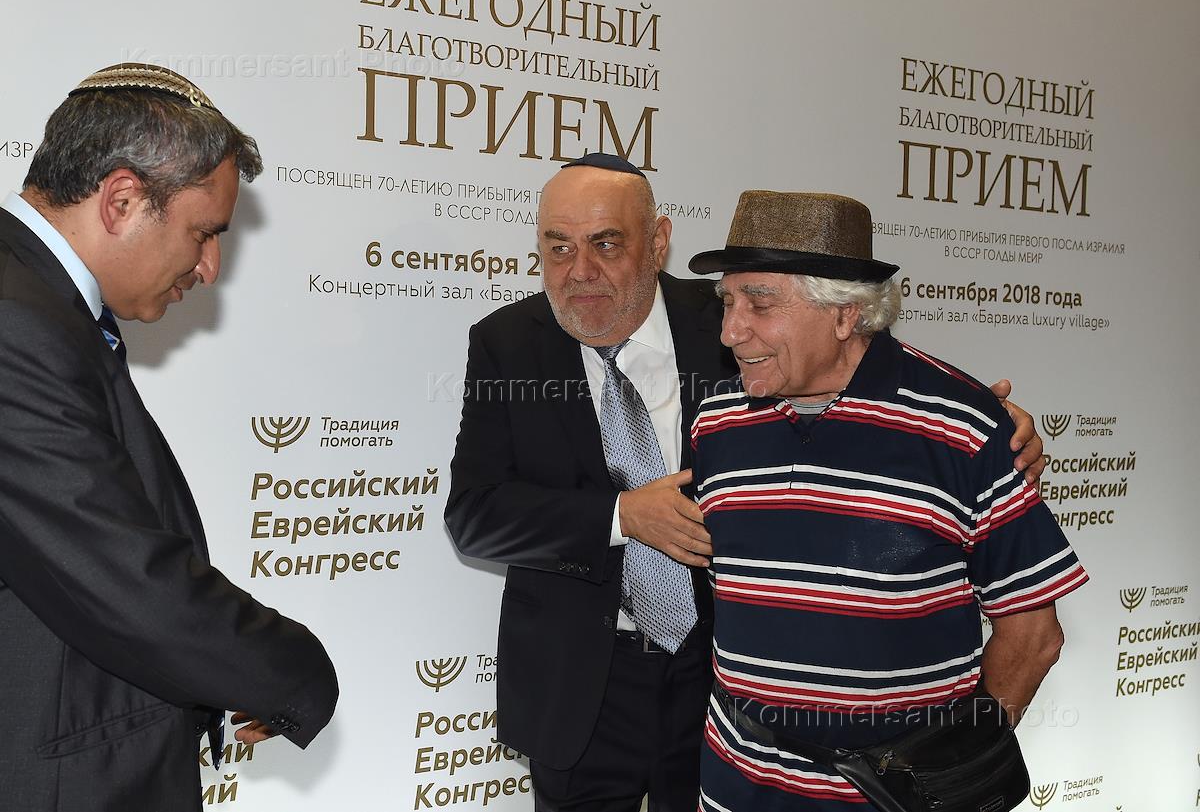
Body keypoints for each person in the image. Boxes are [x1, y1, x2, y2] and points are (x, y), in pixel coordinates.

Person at [444, 157, 1045, 812]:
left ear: (658, 241)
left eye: (606, 243)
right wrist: (621, 515)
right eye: (558, 246)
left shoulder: (731, 317)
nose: (579, 270)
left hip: (716, 680)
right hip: (580, 684)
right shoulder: (507, 343)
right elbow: (473, 513)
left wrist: (985, 426)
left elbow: (854, 369)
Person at [0, 64, 338, 812]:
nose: (209, 268)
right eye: (203, 233)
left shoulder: (41, 304)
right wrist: (294, 672)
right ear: (121, 200)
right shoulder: (15, 319)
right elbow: (118, 575)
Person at [687, 191, 1087, 811]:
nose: (730, 330)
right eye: (728, 302)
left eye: (759, 304)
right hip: (734, 788)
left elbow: (1033, 635)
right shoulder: (716, 422)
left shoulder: (963, 427)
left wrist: (956, 770)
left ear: (845, 314)